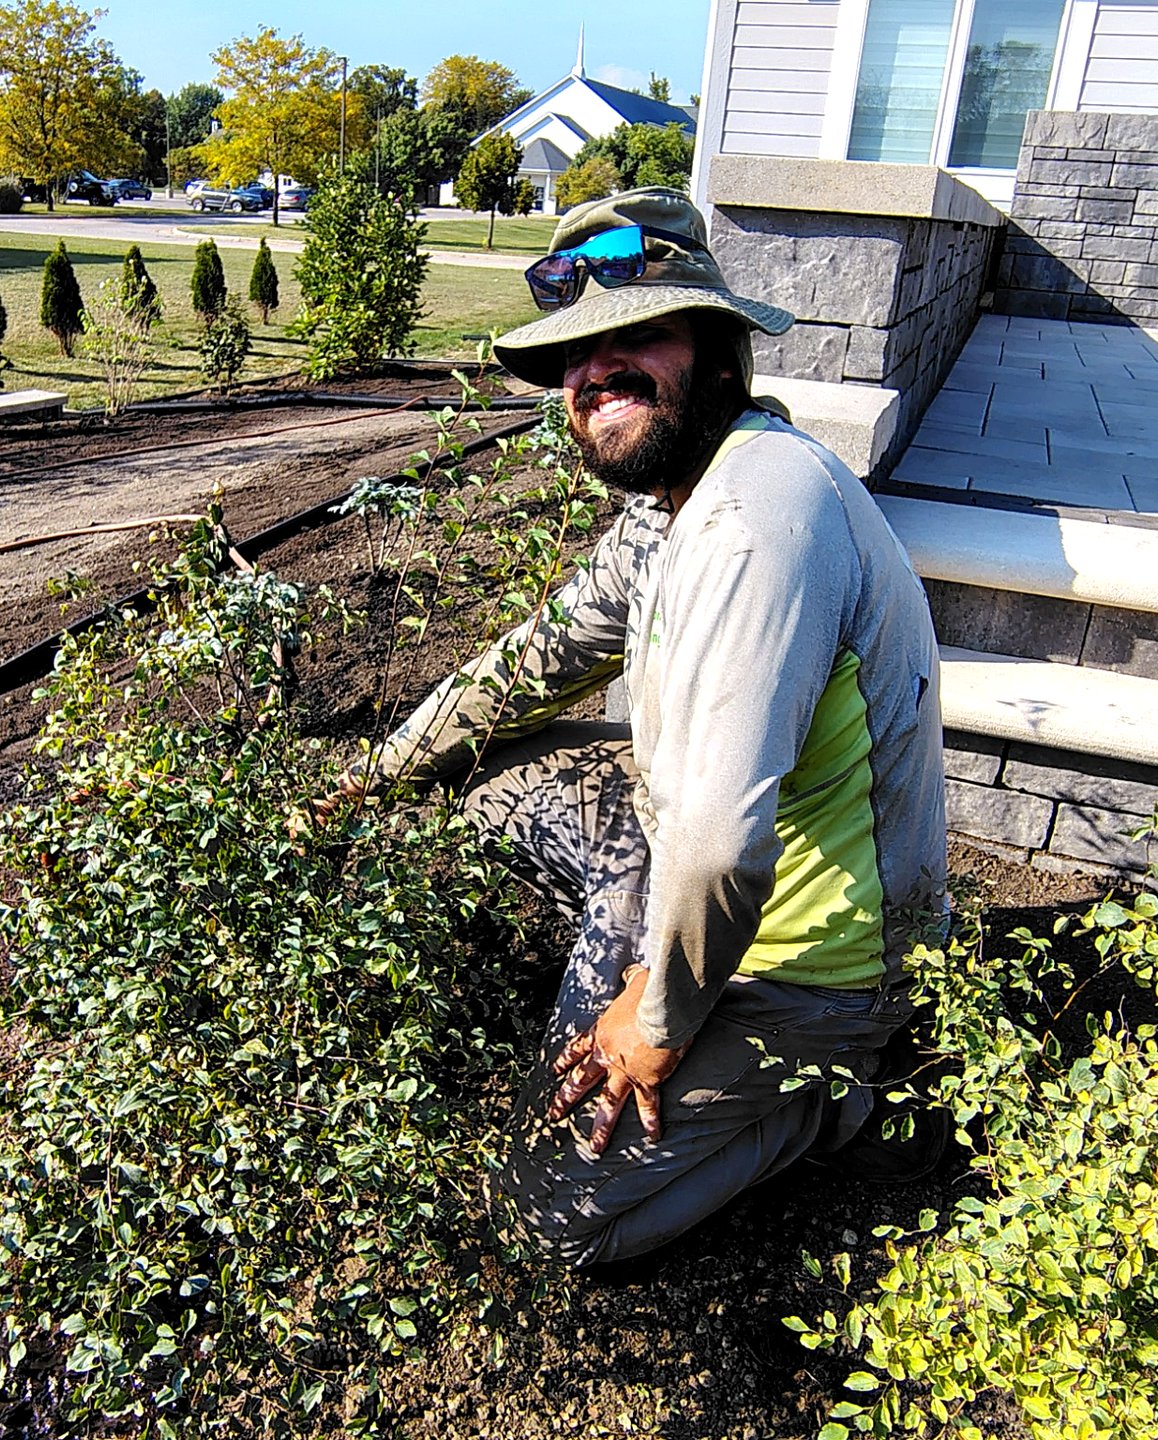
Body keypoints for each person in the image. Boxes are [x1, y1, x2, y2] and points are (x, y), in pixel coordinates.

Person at [322, 188, 948, 1266]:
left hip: (812, 963)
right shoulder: (670, 505)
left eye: (638, 336)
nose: (597, 370)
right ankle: (648, 978)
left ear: (716, 352)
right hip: (722, 879)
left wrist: (654, 1020)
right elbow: (536, 657)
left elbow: (716, 843)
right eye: (577, 352)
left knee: (544, 1217)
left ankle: (828, 1103)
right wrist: (372, 774)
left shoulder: (759, 519)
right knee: (483, 786)